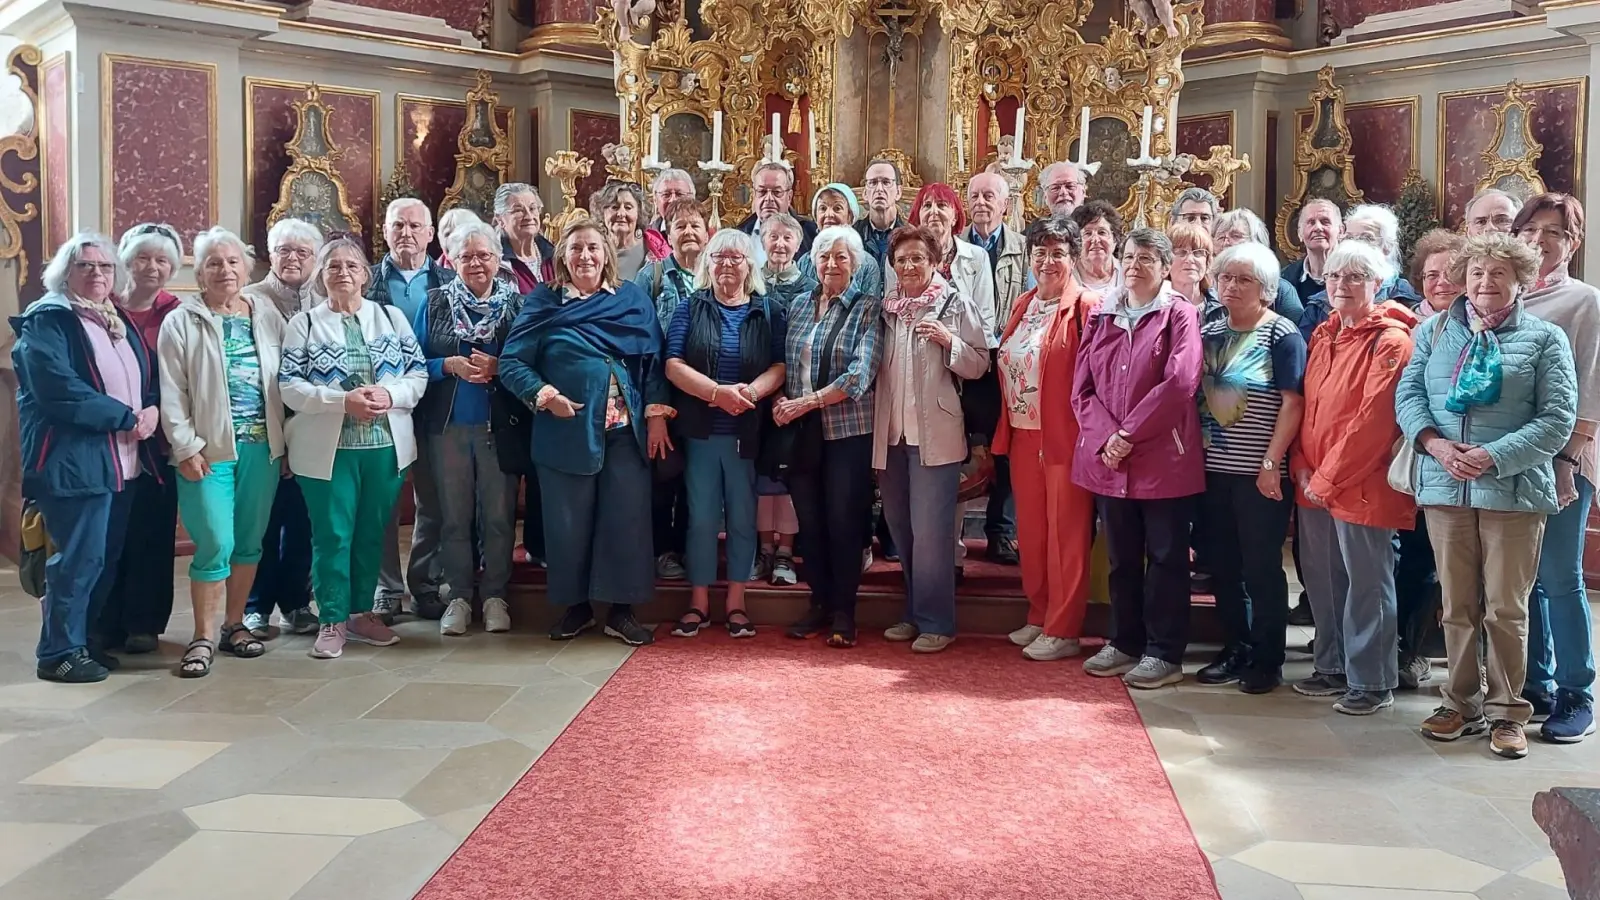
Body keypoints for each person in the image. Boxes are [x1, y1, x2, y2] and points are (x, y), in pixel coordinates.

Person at [1397, 232, 1576, 759]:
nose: (1485, 282)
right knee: (1456, 604)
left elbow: (1556, 419)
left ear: (1522, 280)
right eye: (1476, 272)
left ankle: (1506, 711)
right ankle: (1459, 701)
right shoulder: (1433, 331)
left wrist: (1494, 455)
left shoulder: (1546, 338)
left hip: (1514, 489)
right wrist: (1434, 443)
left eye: (1498, 273)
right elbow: (1407, 395)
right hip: (1445, 484)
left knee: (1505, 607)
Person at [499, 218, 674, 647]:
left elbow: (653, 361)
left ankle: (621, 611)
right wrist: (545, 395)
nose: (585, 256)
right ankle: (575, 608)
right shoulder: (544, 301)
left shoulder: (632, 300)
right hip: (566, 429)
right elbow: (511, 362)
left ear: (607, 255)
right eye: (575, 248)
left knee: (626, 519)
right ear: (562, 258)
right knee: (568, 524)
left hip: (624, 428)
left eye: (593, 248)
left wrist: (655, 415)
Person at [14, 234, 160, 682]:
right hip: (73, 462)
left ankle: (84, 641)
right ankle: (57, 652)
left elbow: (141, 376)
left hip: (121, 460)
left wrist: (149, 408)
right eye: (86, 266)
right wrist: (124, 417)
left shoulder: (111, 318)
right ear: (65, 273)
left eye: (105, 266)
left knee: (101, 558)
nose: (97, 273)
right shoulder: (50, 319)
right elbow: (58, 389)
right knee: (76, 560)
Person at [280, 236, 425, 659]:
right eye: (332, 266)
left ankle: (361, 614)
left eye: (351, 266)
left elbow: (417, 375)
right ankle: (331, 619)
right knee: (332, 535)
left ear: (365, 273)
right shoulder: (303, 324)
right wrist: (341, 401)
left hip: (385, 447)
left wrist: (390, 395)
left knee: (371, 534)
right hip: (327, 452)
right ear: (321, 277)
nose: (343, 273)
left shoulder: (390, 317)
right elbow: (289, 386)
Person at [1290, 240, 1417, 715]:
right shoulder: (1322, 336)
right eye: (1336, 277)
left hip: (1362, 484)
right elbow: (1306, 406)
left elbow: (1374, 422)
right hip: (1314, 480)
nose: (1342, 285)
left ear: (1379, 284)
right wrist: (1301, 464)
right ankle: (1332, 665)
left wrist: (1327, 477)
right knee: (1324, 583)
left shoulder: (1392, 340)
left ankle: (1372, 680)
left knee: (1367, 586)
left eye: (1356, 277)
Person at [1074, 228, 1205, 689]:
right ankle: (1124, 642)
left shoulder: (1180, 315)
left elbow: (1180, 382)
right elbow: (1082, 388)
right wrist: (1108, 436)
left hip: (1163, 458)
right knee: (1120, 558)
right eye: (1129, 256)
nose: (1134, 265)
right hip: (1111, 460)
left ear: (1166, 266)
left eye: (1147, 257)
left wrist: (1128, 433)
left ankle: (1164, 653)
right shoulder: (1101, 315)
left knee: (1167, 558)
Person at [157, 226, 285, 676]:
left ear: (247, 268)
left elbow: (284, 379)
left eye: (233, 262)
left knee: (249, 542)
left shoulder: (266, 312)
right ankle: (203, 636)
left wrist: (286, 441)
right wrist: (186, 445)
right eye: (214, 262)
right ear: (199, 271)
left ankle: (235, 625)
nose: (225, 270)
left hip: (263, 448)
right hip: (207, 452)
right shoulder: (181, 319)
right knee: (215, 541)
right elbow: (171, 392)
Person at [1195, 242, 1306, 693]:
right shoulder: (1211, 329)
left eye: (1244, 279)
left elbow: (1293, 403)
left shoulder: (1282, 335)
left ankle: (1267, 658)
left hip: (1259, 473)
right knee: (1222, 564)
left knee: (1261, 568)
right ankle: (1235, 647)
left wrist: (1270, 462)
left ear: (1266, 289)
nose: (1232, 286)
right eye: (1226, 277)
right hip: (1211, 471)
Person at [664, 229, 786, 638]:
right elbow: (672, 364)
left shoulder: (767, 310)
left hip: (746, 433)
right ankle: (698, 601)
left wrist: (749, 393)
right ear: (707, 264)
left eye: (736, 257)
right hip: (700, 433)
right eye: (719, 257)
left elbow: (780, 365)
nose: (727, 264)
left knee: (742, 517)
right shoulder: (689, 308)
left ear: (751, 265)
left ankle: (737, 600)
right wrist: (716, 394)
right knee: (699, 519)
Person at [874, 226, 989, 653]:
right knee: (901, 530)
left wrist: (951, 341)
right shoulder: (887, 309)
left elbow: (979, 364)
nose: (908, 266)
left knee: (932, 534)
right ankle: (913, 611)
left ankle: (938, 620)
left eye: (917, 258)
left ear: (936, 261)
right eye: (901, 259)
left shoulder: (955, 304)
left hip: (935, 437)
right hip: (891, 435)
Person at [994, 215, 1099, 661]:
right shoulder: (1024, 302)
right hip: (1022, 432)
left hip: (1065, 437)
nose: (1048, 260)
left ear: (1073, 258)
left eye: (1058, 252)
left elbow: (1096, 377)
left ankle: (1065, 626)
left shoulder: (1086, 306)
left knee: (1066, 535)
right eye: (1041, 252)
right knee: (1033, 533)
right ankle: (1039, 613)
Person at [413, 221, 525, 636]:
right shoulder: (436, 302)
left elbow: (530, 361)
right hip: (448, 427)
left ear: (498, 260)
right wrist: (448, 365)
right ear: (451, 260)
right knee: (454, 517)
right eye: (466, 256)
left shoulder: (517, 305)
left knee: (498, 516)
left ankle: (495, 595)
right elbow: (411, 362)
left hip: (499, 426)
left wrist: (500, 368)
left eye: (484, 255)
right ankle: (458, 595)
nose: (476, 263)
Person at [1517, 192, 1600, 742]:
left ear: (1573, 244)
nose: (1542, 239)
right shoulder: (1506, 295)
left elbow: (1591, 390)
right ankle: (1533, 685)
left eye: (1557, 232)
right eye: (1533, 228)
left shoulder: (1584, 301)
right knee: (1522, 581)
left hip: (1566, 458)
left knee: (1559, 576)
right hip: (1515, 461)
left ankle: (1577, 691)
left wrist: (1569, 459)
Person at [780, 225, 884, 648]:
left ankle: (845, 611)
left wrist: (806, 402)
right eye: (824, 256)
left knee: (843, 522)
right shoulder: (800, 304)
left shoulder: (867, 308)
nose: (832, 264)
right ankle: (818, 602)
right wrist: (784, 401)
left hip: (847, 432)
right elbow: (785, 363)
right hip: (801, 432)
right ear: (813, 262)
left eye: (841, 257)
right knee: (810, 522)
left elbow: (860, 375)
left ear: (855, 264)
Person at [368, 197, 453, 622]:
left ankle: (425, 582)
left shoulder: (449, 281)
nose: (406, 233)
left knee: (432, 499)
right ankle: (387, 588)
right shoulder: (366, 282)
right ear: (384, 231)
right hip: (384, 405)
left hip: (435, 402)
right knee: (385, 499)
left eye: (415, 226)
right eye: (398, 225)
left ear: (431, 233)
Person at [242, 217, 323, 639]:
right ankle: (255, 606)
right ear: (269, 255)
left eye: (302, 252)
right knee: (263, 521)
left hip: (313, 430)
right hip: (265, 428)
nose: (292, 258)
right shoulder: (249, 299)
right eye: (283, 251)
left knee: (303, 522)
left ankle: (296, 601)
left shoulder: (327, 299)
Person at [106, 223, 182, 655]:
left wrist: (156, 411)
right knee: (111, 533)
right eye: (142, 258)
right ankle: (105, 621)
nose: (152, 267)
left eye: (162, 260)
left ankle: (144, 623)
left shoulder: (177, 312)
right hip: (110, 439)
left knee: (153, 534)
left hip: (159, 444)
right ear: (125, 261)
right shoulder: (102, 307)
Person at [634, 197, 708, 581]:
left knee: (698, 482)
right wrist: (656, 408)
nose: (689, 233)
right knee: (664, 476)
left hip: (708, 397)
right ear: (667, 234)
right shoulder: (654, 276)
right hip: (664, 394)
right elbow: (643, 347)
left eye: (695, 225)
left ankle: (692, 549)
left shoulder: (717, 272)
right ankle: (662, 550)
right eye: (680, 227)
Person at [967, 171, 1028, 565]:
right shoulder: (955, 248)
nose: (981, 202)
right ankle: (952, 538)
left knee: (1009, 446)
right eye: (974, 195)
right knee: (967, 444)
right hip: (969, 357)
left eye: (990, 195)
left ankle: (1001, 531)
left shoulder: (1024, 248)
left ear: (1005, 204)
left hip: (1010, 357)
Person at [755, 214, 816, 585]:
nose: (779, 244)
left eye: (786, 238)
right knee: (762, 479)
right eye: (772, 237)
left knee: (789, 477)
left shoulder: (810, 288)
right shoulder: (753, 284)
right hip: (755, 395)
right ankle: (763, 549)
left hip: (798, 399)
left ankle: (785, 552)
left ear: (798, 245)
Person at [1211, 208, 1303, 323]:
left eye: (1236, 236)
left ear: (1257, 242)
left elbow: (1296, 334)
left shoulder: (1280, 289)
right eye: (1220, 237)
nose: (1226, 243)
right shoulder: (1204, 287)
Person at [803, 182, 882, 296]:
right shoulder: (805, 262)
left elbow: (869, 308)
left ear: (850, 216)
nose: (829, 214)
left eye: (837, 208)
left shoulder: (868, 264)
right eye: (823, 208)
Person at [738, 161, 819, 261]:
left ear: (789, 197)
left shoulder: (812, 234)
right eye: (762, 191)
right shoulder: (739, 234)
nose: (768, 198)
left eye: (776, 192)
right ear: (754, 195)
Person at [591, 181, 662, 281]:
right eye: (614, 207)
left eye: (628, 207)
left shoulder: (655, 248)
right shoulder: (591, 252)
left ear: (639, 213)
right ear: (602, 213)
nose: (621, 213)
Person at [1282, 199, 1342, 311]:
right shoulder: (1285, 278)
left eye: (1325, 222)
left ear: (1341, 231)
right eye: (1311, 222)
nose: (1318, 228)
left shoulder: (1355, 276)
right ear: (1300, 233)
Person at [494, 182, 554, 290]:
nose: (529, 216)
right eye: (518, 210)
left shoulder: (553, 255)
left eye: (532, 208)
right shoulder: (494, 262)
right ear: (500, 219)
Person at [857, 158, 907, 272]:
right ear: (864, 193)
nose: (879, 189)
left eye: (886, 182)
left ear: (898, 192)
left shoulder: (911, 236)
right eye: (873, 183)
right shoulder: (853, 235)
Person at [1071, 200, 1123, 294]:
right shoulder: (1065, 276)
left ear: (1115, 239)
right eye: (1087, 233)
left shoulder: (1128, 272)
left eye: (1102, 232)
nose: (1095, 239)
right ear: (1077, 242)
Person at [1412, 229, 1465, 316]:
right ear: (1421, 280)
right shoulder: (1405, 325)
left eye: (1452, 273)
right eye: (1432, 275)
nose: (1442, 282)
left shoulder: (1483, 323)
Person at [1166, 221, 1215, 315]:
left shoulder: (1223, 307)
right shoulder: (1152, 307)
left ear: (1208, 261)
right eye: (1181, 252)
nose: (1190, 259)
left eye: (1198, 253)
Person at [647, 167, 696, 235]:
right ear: (655, 199)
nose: (673, 200)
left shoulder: (706, 237)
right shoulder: (646, 237)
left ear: (691, 198)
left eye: (679, 194)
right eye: (666, 194)